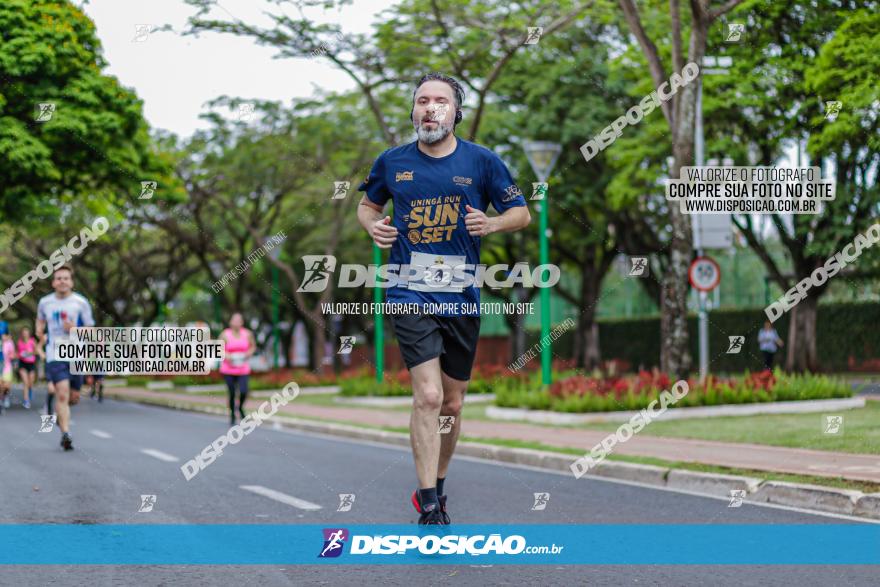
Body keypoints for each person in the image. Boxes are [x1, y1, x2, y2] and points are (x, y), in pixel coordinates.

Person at [356, 73, 530, 524]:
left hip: (461, 295)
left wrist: (491, 225)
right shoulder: (391, 162)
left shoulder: (483, 162)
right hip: (408, 288)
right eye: (422, 101)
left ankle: (440, 482)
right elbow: (368, 205)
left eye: (440, 101)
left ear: (456, 112)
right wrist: (371, 226)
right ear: (413, 111)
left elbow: (521, 212)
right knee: (429, 397)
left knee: (452, 404)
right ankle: (429, 501)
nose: (430, 108)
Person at [36, 265, 95, 451]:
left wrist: (74, 330)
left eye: (66, 278)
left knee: (74, 397)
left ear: (71, 282)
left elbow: (91, 329)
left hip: (76, 354)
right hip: (55, 354)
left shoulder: (80, 302)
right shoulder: (45, 302)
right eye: (59, 278)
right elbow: (39, 320)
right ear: (53, 282)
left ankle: (58, 414)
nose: (62, 281)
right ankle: (66, 434)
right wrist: (39, 330)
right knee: (62, 393)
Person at [219, 313, 256, 425]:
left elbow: (253, 346)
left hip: (243, 368)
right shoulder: (225, 334)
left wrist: (248, 354)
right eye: (234, 320)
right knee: (232, 392)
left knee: (244, 391)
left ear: (242, 322)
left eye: (238, 320)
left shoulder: (247, 334)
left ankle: (239, 408)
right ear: (230, 322)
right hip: (228, 368)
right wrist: (227, 355)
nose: (236, 323)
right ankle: (232, 414)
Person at [17, 327, 38, 409]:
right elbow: (17, 353)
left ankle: (30, 390)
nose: (25, 334)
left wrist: (30, 353)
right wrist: (21, 354)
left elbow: (36, 351)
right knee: (25, 382)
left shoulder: (32, 341)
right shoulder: (19, 342)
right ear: (22, 334)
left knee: (30, 383)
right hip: (22, 364)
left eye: (26, 332)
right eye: (24, 332)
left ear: (29, 333)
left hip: (31, 363)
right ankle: (26, 400)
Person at [0, 333, 14, 412]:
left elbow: (12, 354)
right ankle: (1, 403)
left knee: (6, 386)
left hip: (7, 367)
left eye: (5, 335)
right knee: (0, 385)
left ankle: (5, 397)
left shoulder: (9, 343)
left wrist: (11, 356)